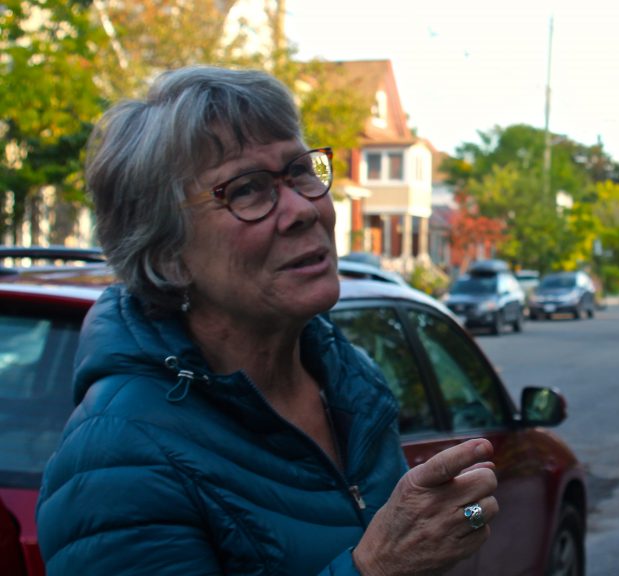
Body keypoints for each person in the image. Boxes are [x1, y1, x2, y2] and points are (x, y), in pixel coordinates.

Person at [35, 65, 498, 575]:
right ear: (166, 253)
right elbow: (384, 559)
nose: (303, 208)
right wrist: (375, 567)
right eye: (247, 190)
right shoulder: (117, 459)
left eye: (300, 171)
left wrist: (461, 522)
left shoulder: (349, 377)